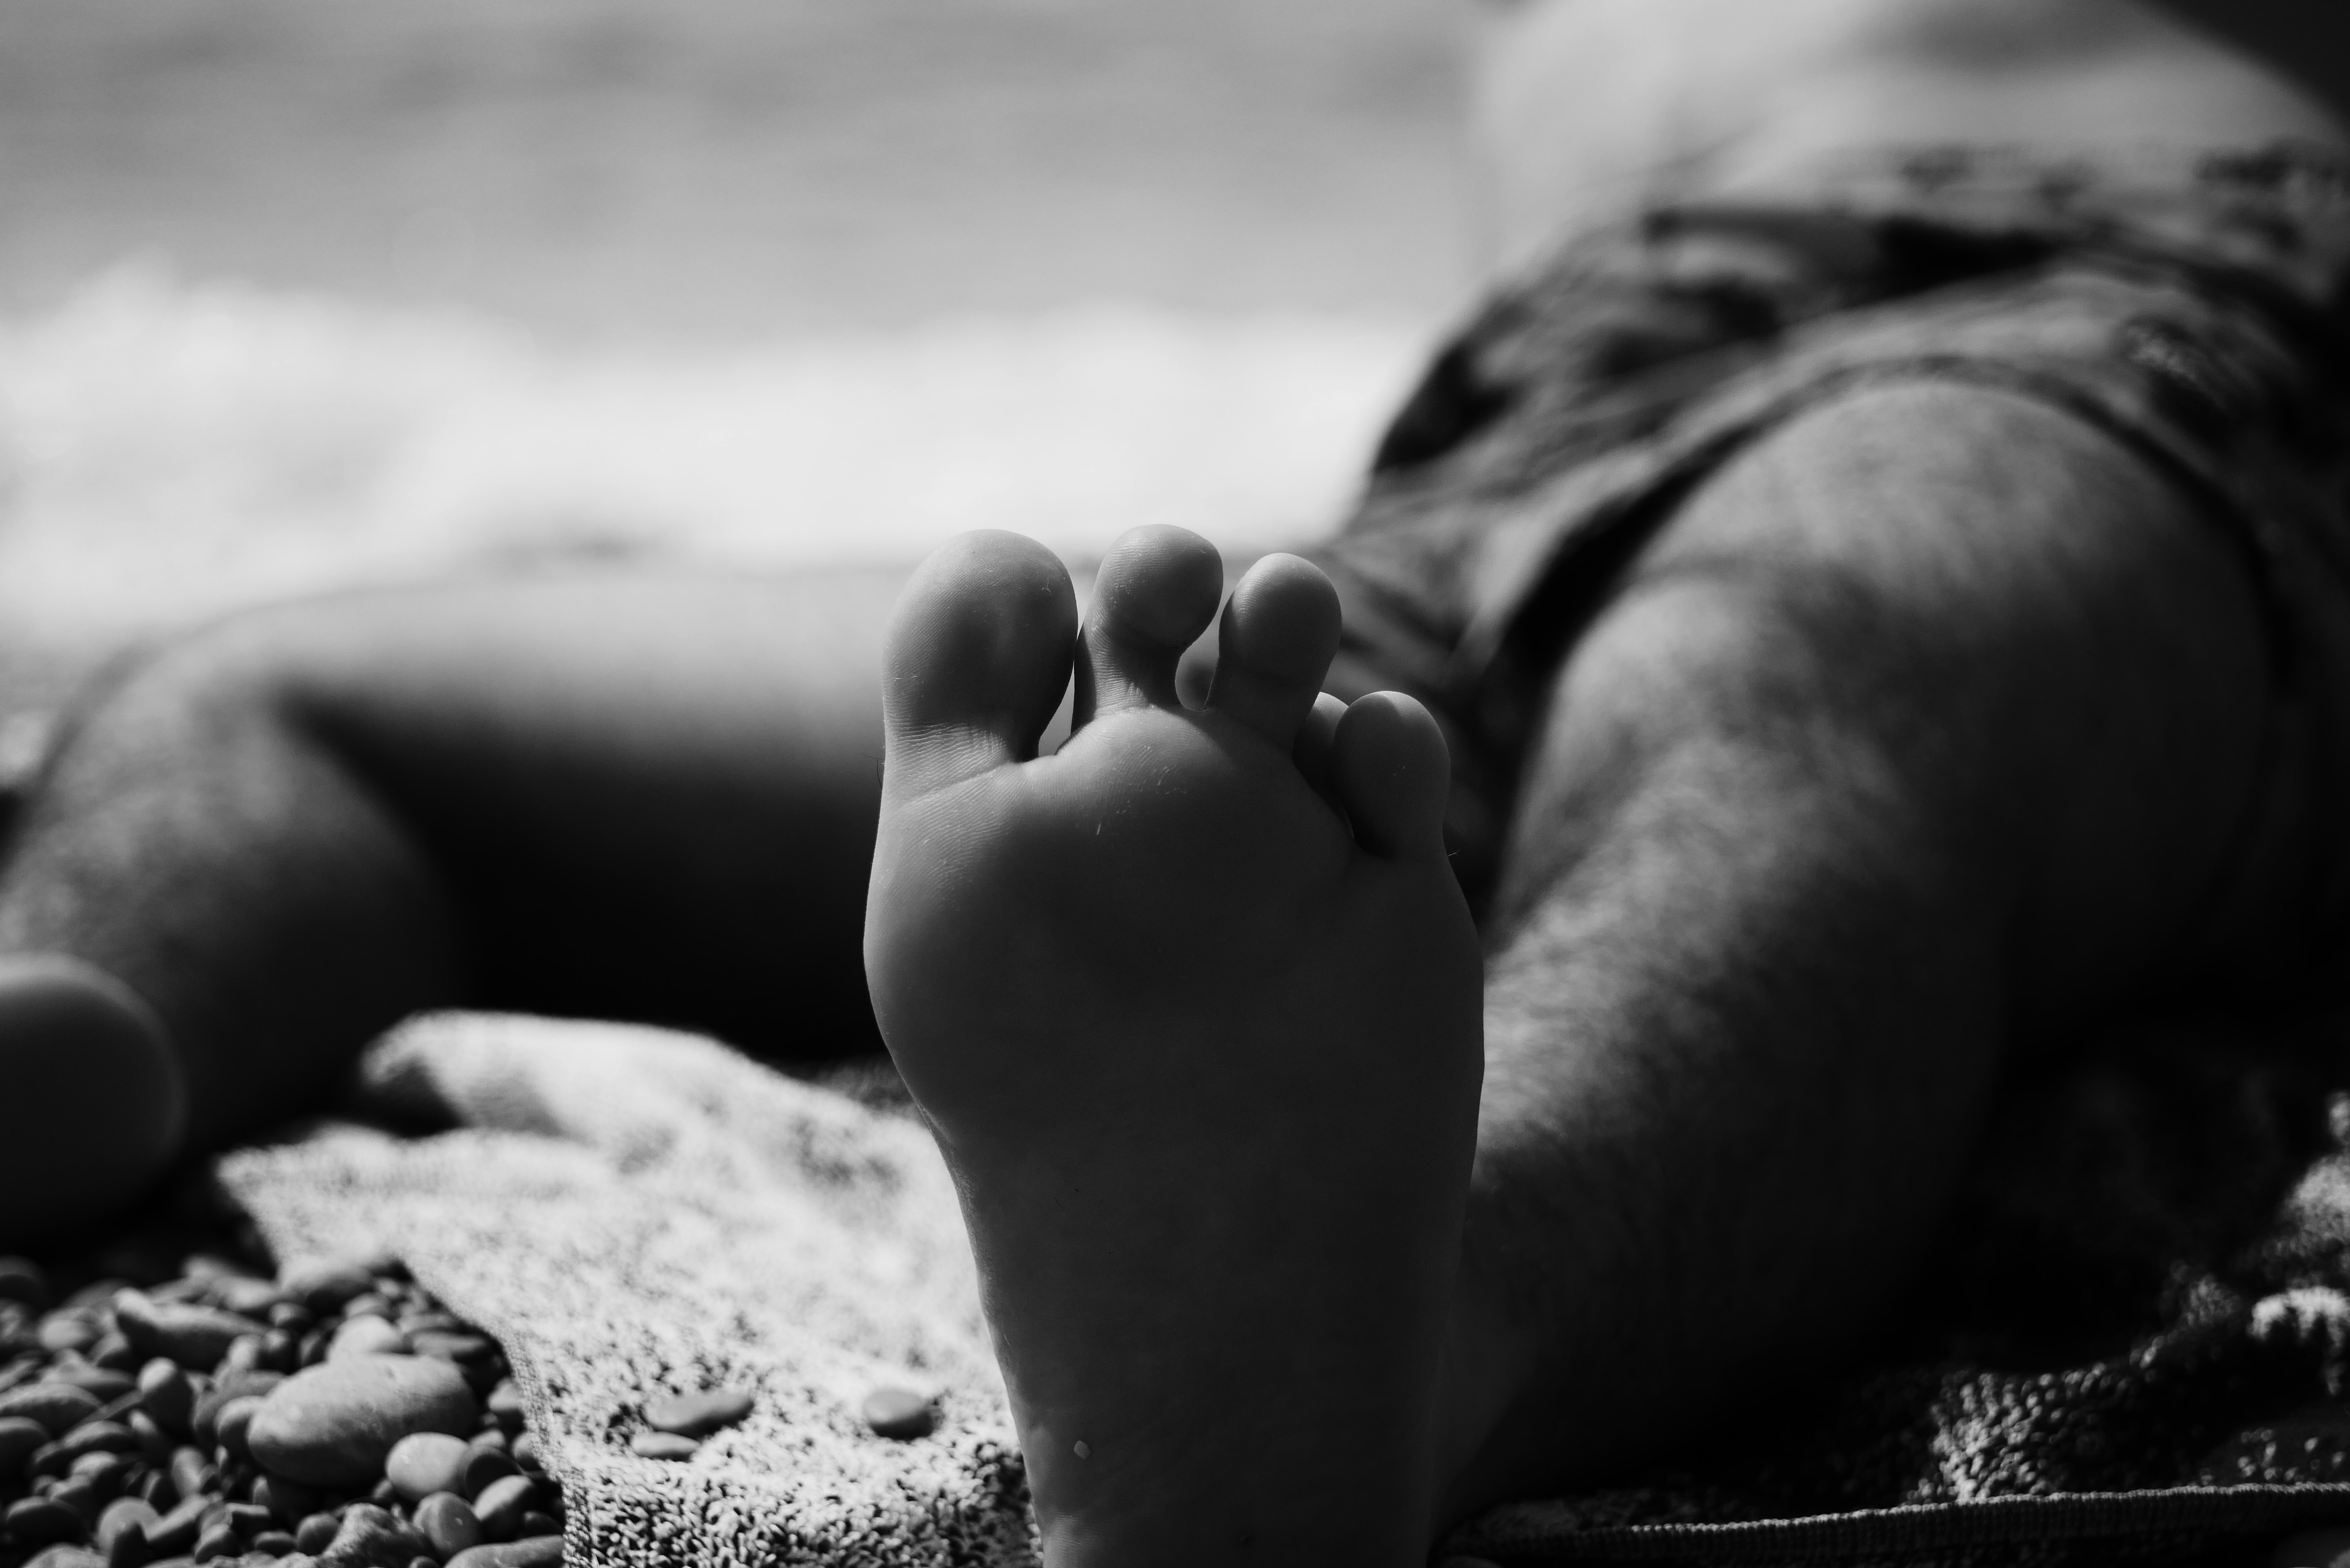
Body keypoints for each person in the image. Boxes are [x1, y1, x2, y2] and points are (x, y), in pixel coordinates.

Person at [5, 0, 2350, 1561]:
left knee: (1794, 681)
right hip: (1509, 443)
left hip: (2129, 319)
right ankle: (72, 1007)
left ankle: (1398, 1330)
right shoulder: (1563, 43)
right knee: (287, 694)